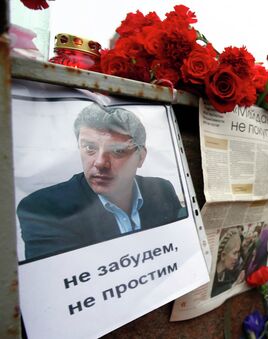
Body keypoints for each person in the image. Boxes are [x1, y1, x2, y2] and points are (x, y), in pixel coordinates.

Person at [17, 103, 185, 261]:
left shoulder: (162, 190)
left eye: (118, 150)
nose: (99, 163)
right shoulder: (43, 210)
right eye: (90, 148)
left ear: (140, 157)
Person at [211, 227, 245, 297]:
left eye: (238, 253)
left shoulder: (229, 278)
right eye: (234, 253)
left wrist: (235, 285)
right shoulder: (210, 277)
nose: (236, 258)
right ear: (223, 255)